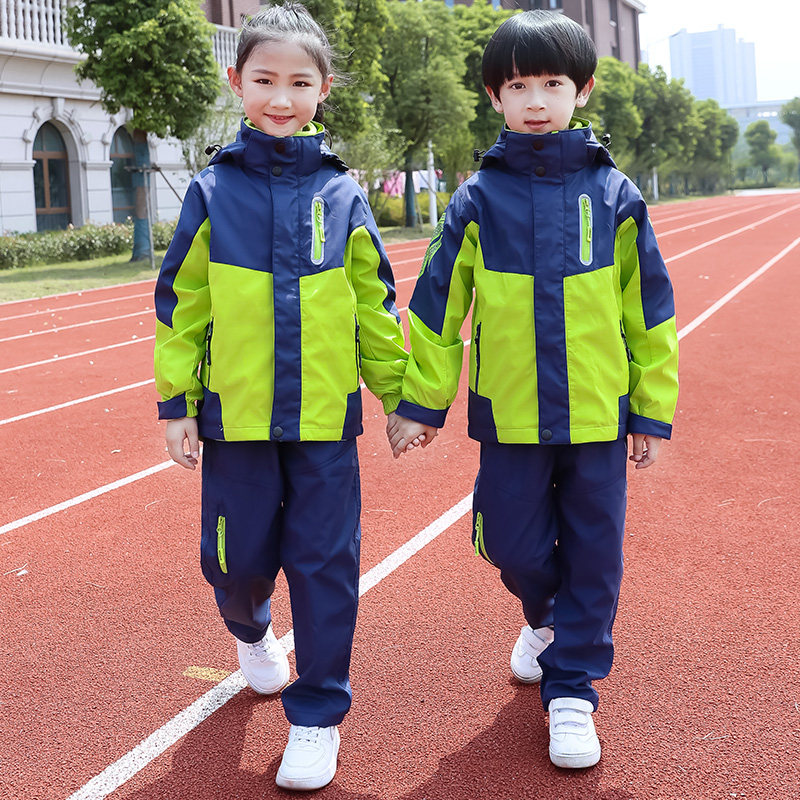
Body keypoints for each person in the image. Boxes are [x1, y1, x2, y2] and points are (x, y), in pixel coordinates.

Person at [387, 10, 679, 770]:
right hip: (509, 414)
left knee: (595, 551)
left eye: (553, 83)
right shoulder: (478, 199)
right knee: (507, 542)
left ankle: (573, 691)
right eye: (519, 85)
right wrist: (422, 403)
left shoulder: (614, 195)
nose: (537, 99)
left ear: (582, 89)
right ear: (496, 97)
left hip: (597, 414)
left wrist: (649, 406)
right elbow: (439, 306)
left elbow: (648, 310)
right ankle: (546, 613)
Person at [153, 3, 407, 790]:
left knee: (326, 566)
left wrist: (403, 398)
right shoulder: (210, 192)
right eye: (264, 79)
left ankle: (318, 714)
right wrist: (177, 402)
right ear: (238, 82)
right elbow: (182, 305)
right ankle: (252, 629)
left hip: (327, 421)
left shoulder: (342, 196)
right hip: (238, 419)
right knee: (233, 562)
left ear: (322, 91)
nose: (281, 96)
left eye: (300, 82)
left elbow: (375, 304)